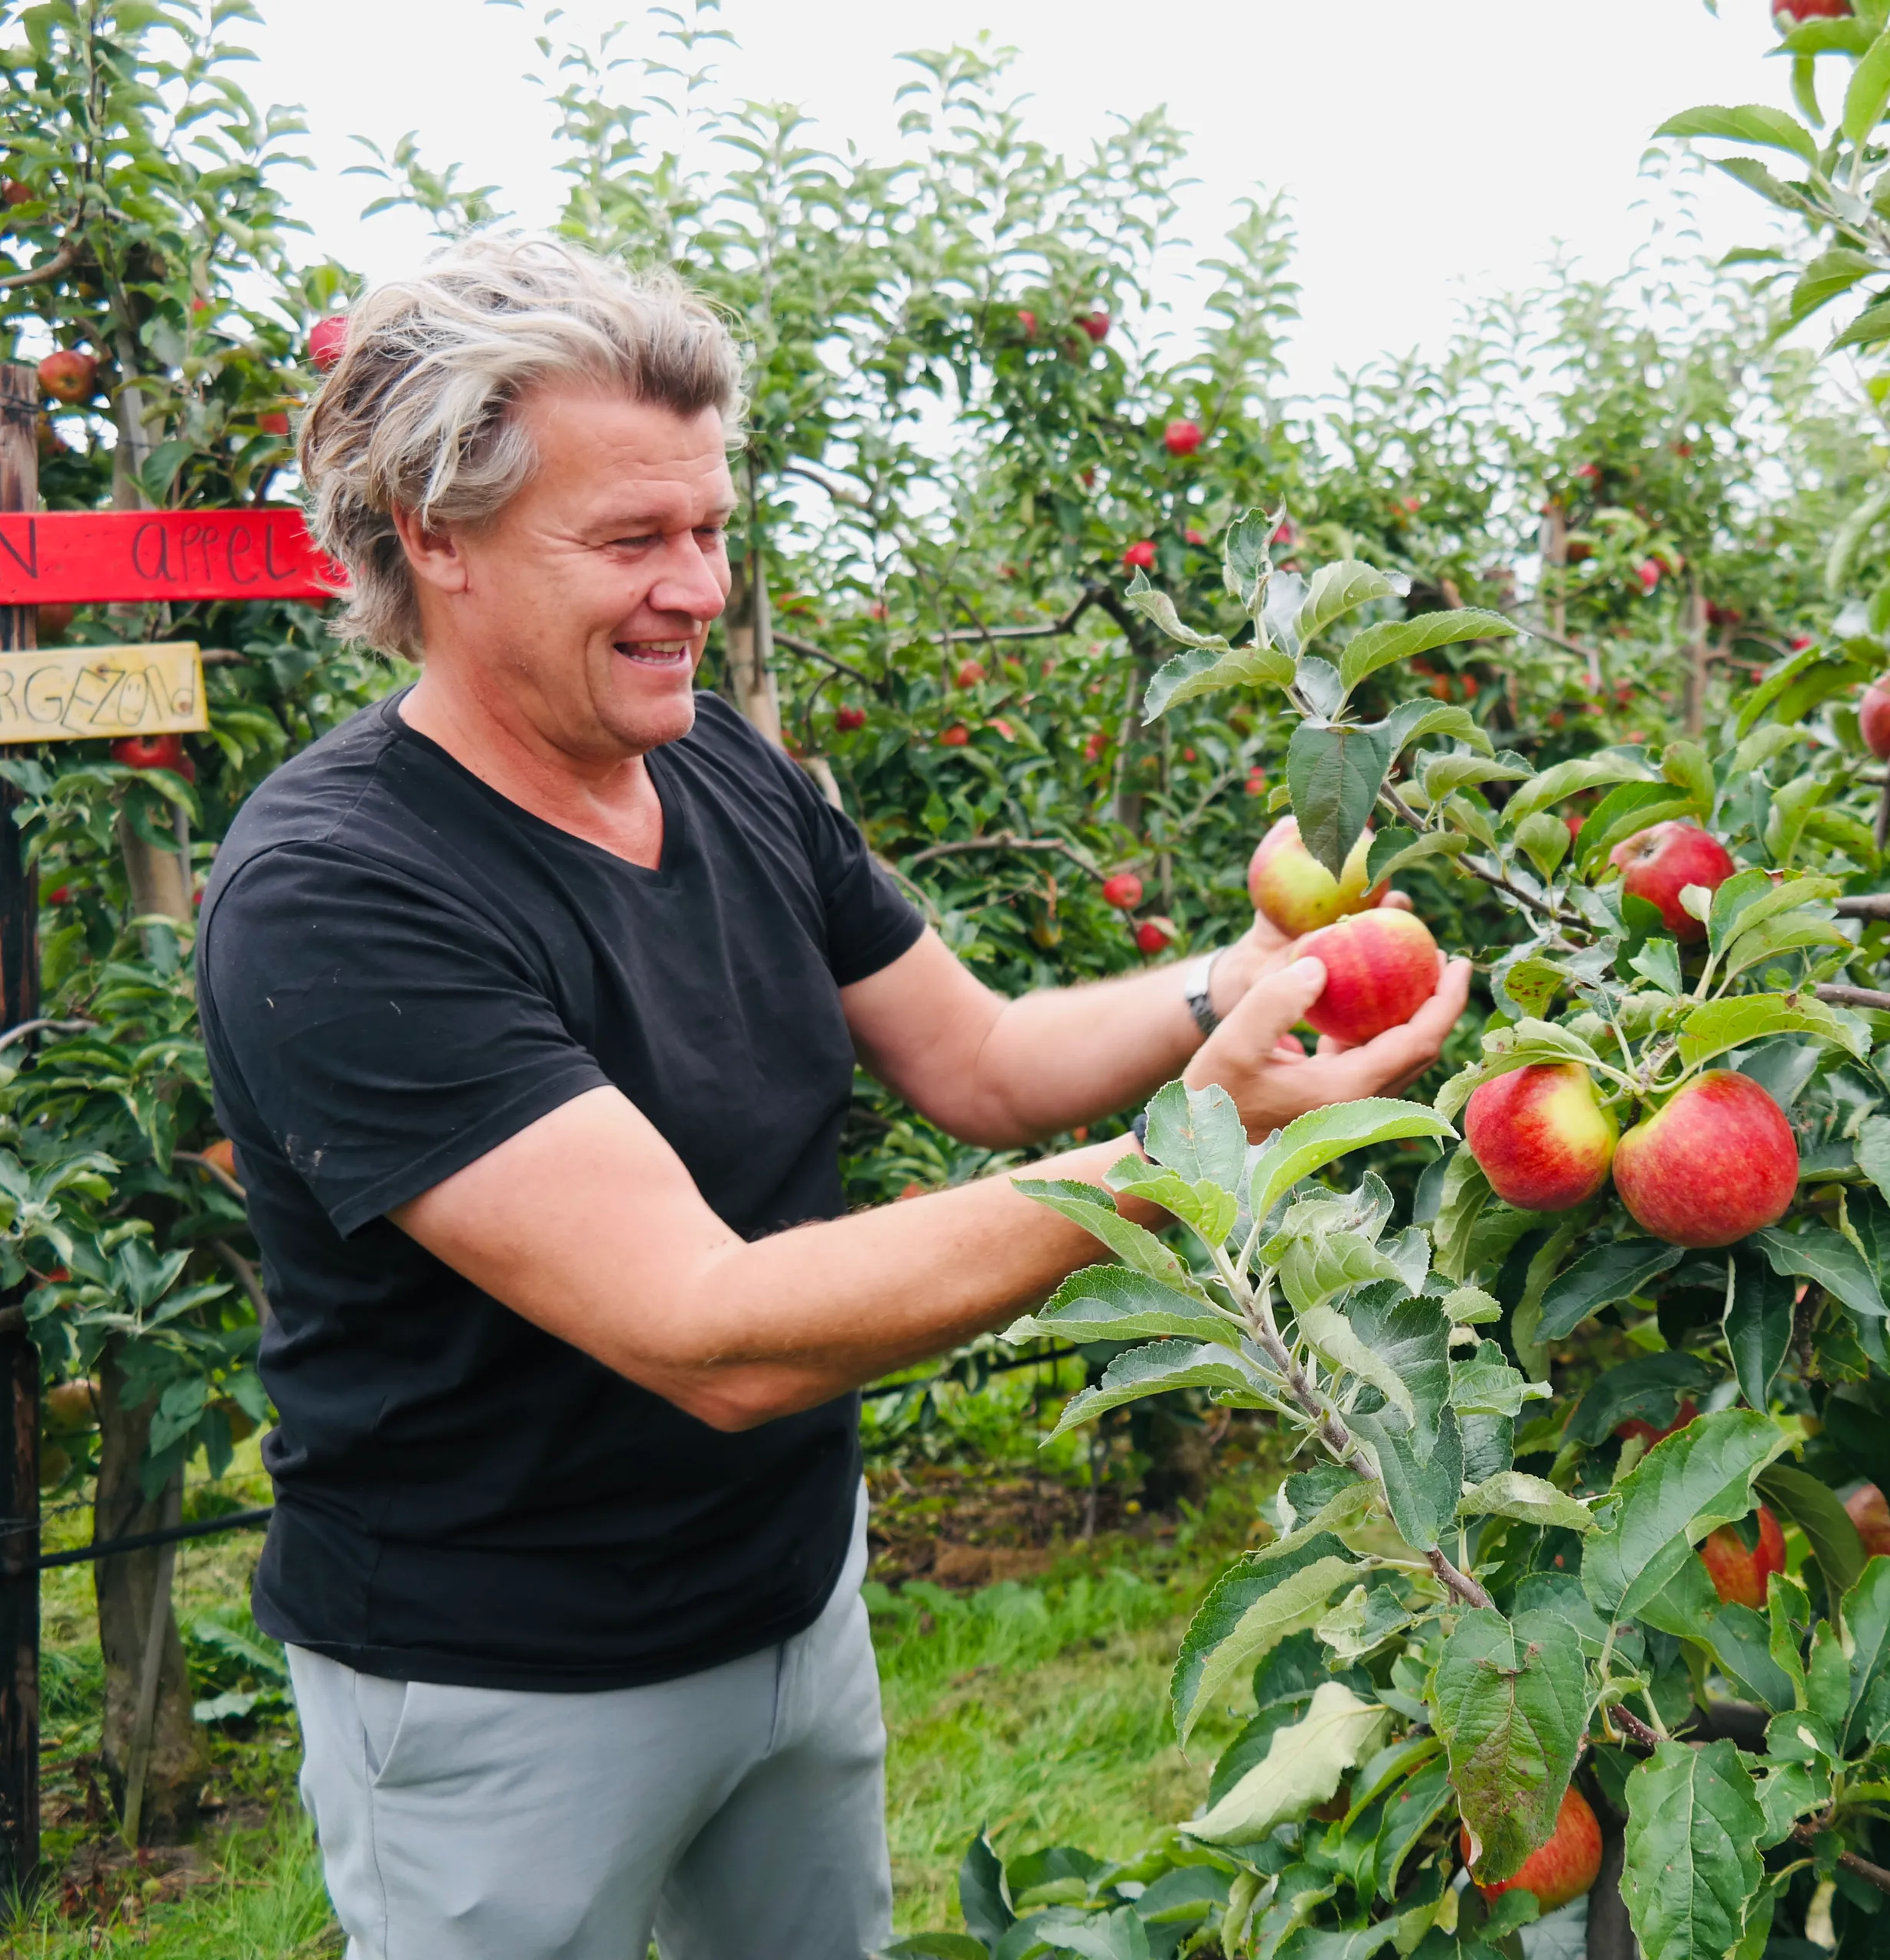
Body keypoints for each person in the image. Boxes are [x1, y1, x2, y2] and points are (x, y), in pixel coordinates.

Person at [197, 237, 1469, 1960]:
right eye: (632, 539)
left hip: (793, 1596)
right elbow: (710, 1329)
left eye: (711, 529)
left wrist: (1219, 994)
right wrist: (1195, 1154)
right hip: (504, 1676)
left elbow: (985, 1060)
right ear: (436, 538)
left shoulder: (717, 760)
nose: (697, 589)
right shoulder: (342, 892)